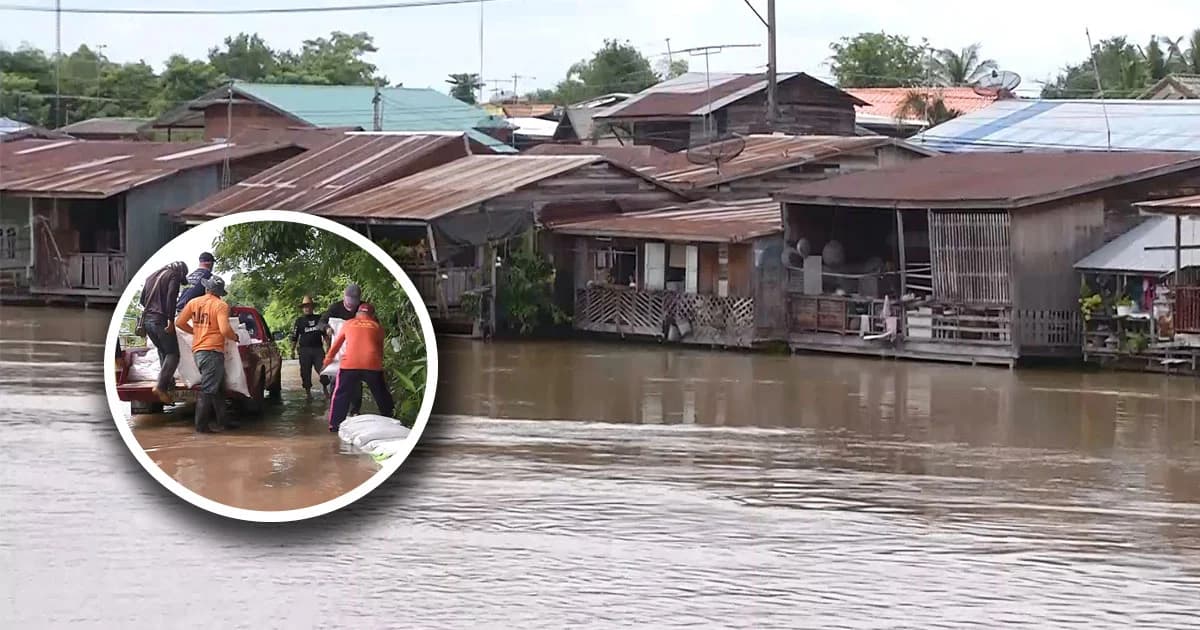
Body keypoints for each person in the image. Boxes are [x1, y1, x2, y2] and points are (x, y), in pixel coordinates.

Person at [175, 275, 239, 433]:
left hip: (199, 351)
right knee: (208, 390)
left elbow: (179, 322)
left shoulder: (193, 302)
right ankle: (201, 427)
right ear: (219, 292)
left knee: (219, 388)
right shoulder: (221, 305)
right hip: (212, 352)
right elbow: (225, 330)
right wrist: (235, 337)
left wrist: (195, 332)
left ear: (207, 288)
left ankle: (224, 421)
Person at [323, 302, 394, 433]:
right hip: (372, 365)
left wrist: (327, 360)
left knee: (340, 395)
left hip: (349, 365)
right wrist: (379, 364)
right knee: (382, 394)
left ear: (357, 314)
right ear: (372, 315)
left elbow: (336, 345)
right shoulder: (377, 327)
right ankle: (390, 417)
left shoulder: (348, 323)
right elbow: (379, 350)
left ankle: (334, 425)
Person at [140, 261, 188, 403]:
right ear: (180, 272)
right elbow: (171, 297)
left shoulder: (150, 277)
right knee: (173, 354)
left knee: (164, 351)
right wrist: (170, 320)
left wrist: (154, 308)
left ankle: (168, 385)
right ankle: (161, 387)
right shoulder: (173, 275)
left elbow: (143, 300)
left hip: (148, 322)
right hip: (161, 321)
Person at [318, 283, 365, 413]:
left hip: (357, 352)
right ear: (344, 297)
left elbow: (374, 324)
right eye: (349, 301)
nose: (351, 306)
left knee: (356, 382)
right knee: (336, 381)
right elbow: (321, 323)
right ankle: (336, 410)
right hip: (338, 351)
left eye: (354, 302)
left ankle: (355, 412)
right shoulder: (335, 308)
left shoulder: (363, 308)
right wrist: (326, 328)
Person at [291, 295, 327, 400]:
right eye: (305, 306)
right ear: (302, 308)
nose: (307, 308)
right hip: (304, 350)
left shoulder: (319, 318)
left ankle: (325, 389)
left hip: (318, 349)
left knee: (323, 370)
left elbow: (325, 334)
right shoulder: (299, 321)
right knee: (305, 372)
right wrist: (292, 350)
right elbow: (294, 336)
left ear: (312, 307)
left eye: (309, 306)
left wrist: (329, 347)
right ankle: (308, 393)